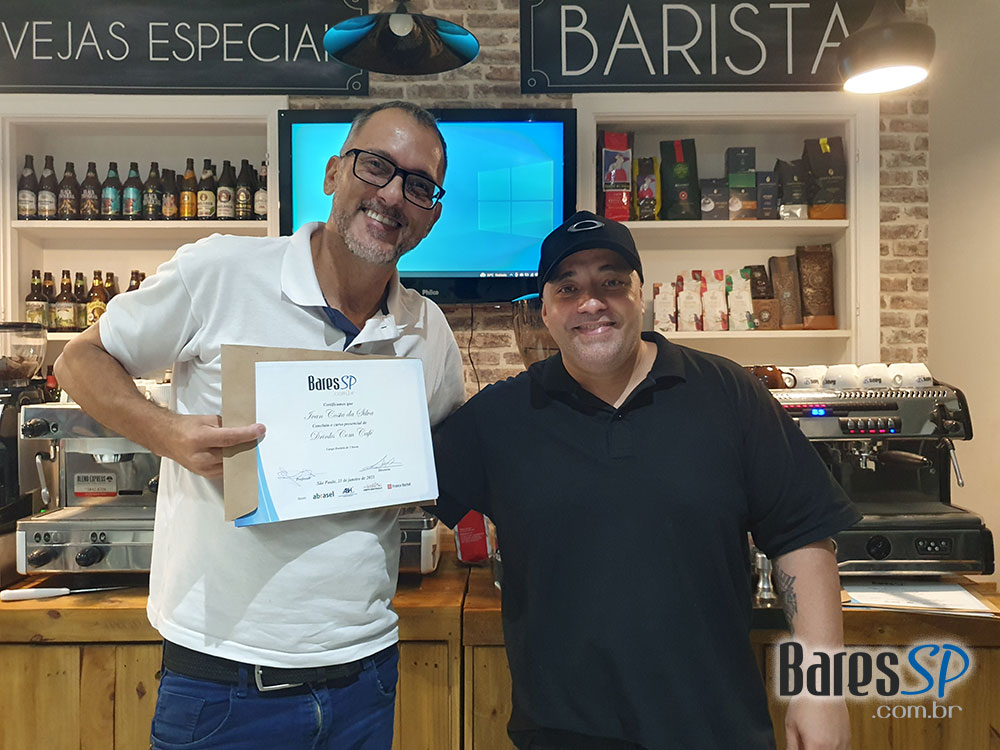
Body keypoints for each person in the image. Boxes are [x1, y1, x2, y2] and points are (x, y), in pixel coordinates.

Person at [54, 101, 465, 749]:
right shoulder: (221, 271)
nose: (392, 194)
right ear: (333, 173)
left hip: (365, 677)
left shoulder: (428, 329)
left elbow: (444, 458)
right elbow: (78, 360)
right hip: (223, 679)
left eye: (418, 185)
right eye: (376, 166)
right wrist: (168, 435)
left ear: (432, 214)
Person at [430, 210, 861, 750]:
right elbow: (397, 483)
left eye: (611, 282)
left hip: (715, 728)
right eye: (568, 288)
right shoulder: (502, 416)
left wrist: (821, 690)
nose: (591, 303)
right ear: (545, 310)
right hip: (562, 734)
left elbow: (801, 534)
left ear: (642, 294)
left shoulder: (728, 393)